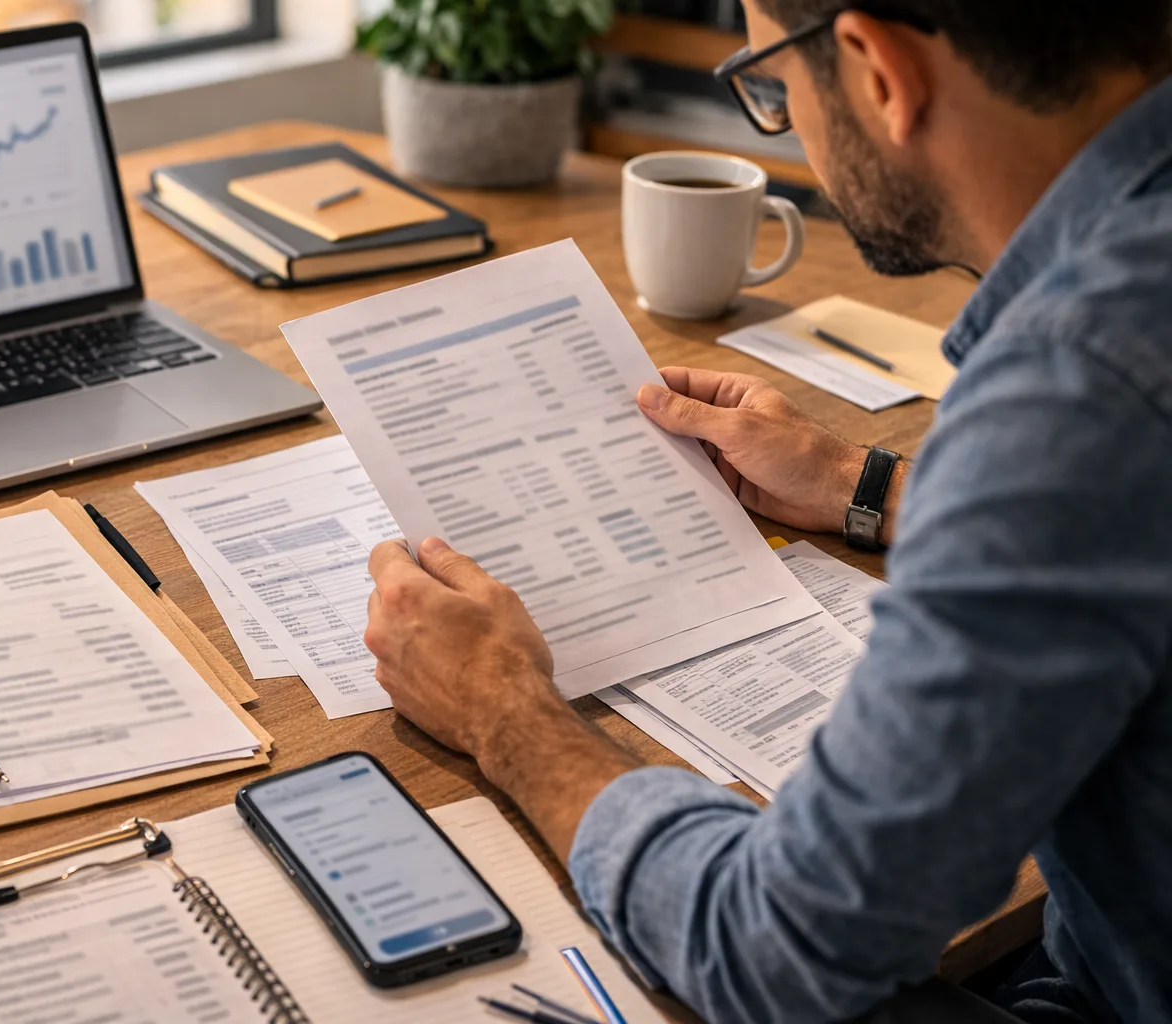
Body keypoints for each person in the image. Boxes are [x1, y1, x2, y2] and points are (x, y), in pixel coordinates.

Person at [361, 1, 1172, 1021]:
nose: (777, 110)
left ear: (879, 68)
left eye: (772, 78)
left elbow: (777, 943)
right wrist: (861, 485)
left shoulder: (1072, 390)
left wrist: (504, 711)